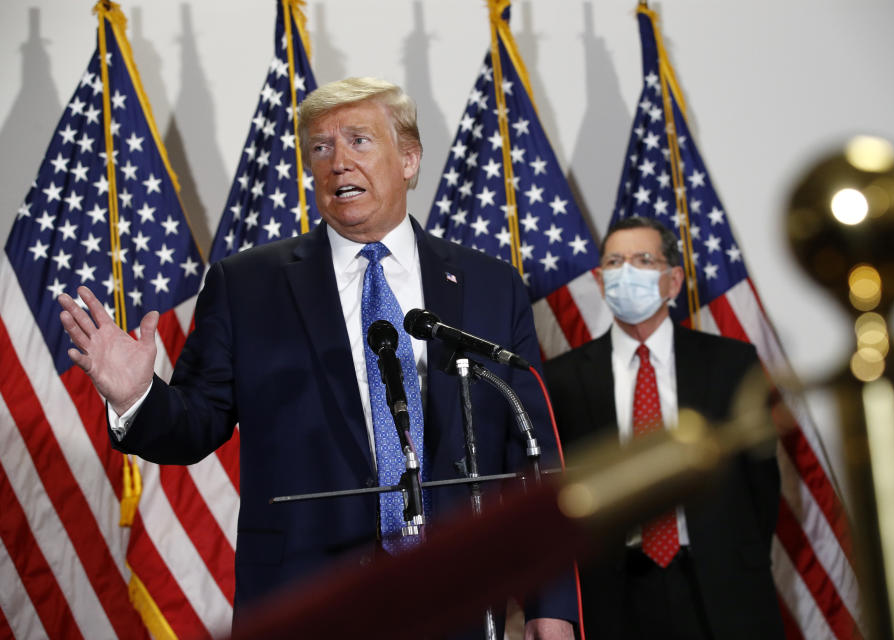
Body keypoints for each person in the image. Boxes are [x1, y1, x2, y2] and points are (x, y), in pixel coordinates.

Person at [57, 77, 575, 638]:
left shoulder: (490, 287)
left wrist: (552, 604)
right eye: (321, 148)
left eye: (359, 141)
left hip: (456, 600)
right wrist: (137, 397)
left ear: (409, 159)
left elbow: (534, 457)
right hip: (302, 603)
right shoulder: (246, 285)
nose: (338, 163)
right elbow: (194, 425)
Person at [544, 217, 784, 639]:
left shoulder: (731, 363)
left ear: (673, 282)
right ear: (600, 282)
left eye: (643, 260)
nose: (626, 273)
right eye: (615, 262)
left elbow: (760, 485)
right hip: (613, 596)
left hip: (722, 589)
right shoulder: (561, 380)